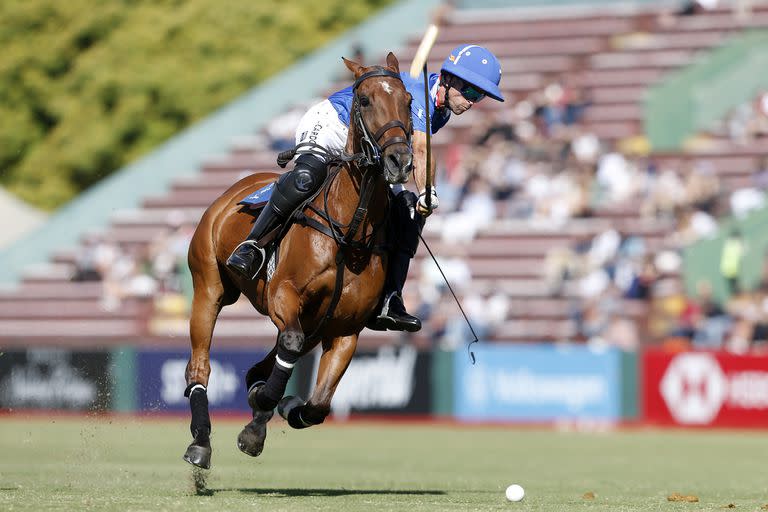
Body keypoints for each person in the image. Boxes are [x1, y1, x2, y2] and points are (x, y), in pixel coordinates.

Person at [226, 44, 505, 331]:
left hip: (369, 145)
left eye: (479, 96)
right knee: (305, 178)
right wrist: (427, 191)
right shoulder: (420, 95)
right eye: (471, 92)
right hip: (334, 122)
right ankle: (251, 246)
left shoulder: (442, 110)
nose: (473, 101)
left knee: (408, 212)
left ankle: (390, 299)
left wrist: (418, 198)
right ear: (450, 80)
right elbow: (420, 150)